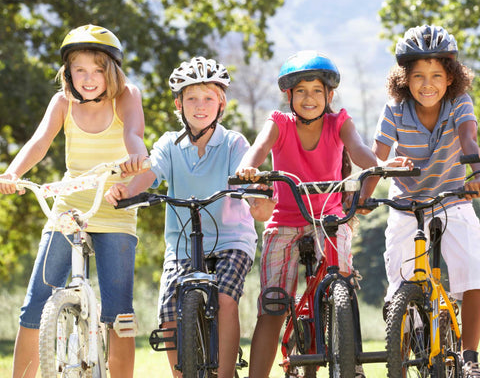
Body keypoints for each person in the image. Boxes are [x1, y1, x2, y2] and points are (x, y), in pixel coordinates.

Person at [105, 56, 270, 378]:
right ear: (178, 104)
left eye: (208, 97)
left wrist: (256, 198)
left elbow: (246, 177)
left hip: (231, 240)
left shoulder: (234, 142)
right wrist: (127, 190)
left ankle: (223, 374)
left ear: (221, 103)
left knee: (224, 299)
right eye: (191, 98)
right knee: (168, 314)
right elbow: (150, 173)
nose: (200, 105)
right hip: (182, 243)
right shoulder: (169, 143)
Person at [0, 24, 148, 378]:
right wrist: (11, 174)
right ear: (68, 72)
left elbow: (134, 134)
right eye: (79, 69)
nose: (88, 77)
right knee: (35, 304)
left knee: (119, 314)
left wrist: (137, 160)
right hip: (69, 208)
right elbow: (38, 143)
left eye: (97, 69)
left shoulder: (127, 95)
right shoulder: (62, 102)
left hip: (113, 207)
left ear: (111, 70)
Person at [235, 50, 383, 378]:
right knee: (273, 305)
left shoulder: (338, 122)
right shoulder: (280, 124)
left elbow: (358, 148)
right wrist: (247, 167)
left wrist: (377, 166)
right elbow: (258, 149)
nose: (309, 98)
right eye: (300, 91)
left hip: (328, 220)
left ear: (329, 95)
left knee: (339, 283)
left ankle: (349, 362)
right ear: (289, 95)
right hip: (285, 221)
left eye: (317, 90)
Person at [373, 24, 480, 377]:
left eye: (436, 74)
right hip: (408, 201)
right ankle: (399, 363)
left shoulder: (459, 102)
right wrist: (362, 195)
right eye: (418, 75)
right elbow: (378, 157)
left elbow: (468, 139)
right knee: (399, 282)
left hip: (452, 196)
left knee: (472, 267)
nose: (427, 83)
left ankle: (469, 355)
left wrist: (476, 172)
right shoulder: (395, 108)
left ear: (451, 78)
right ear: (404, 79)